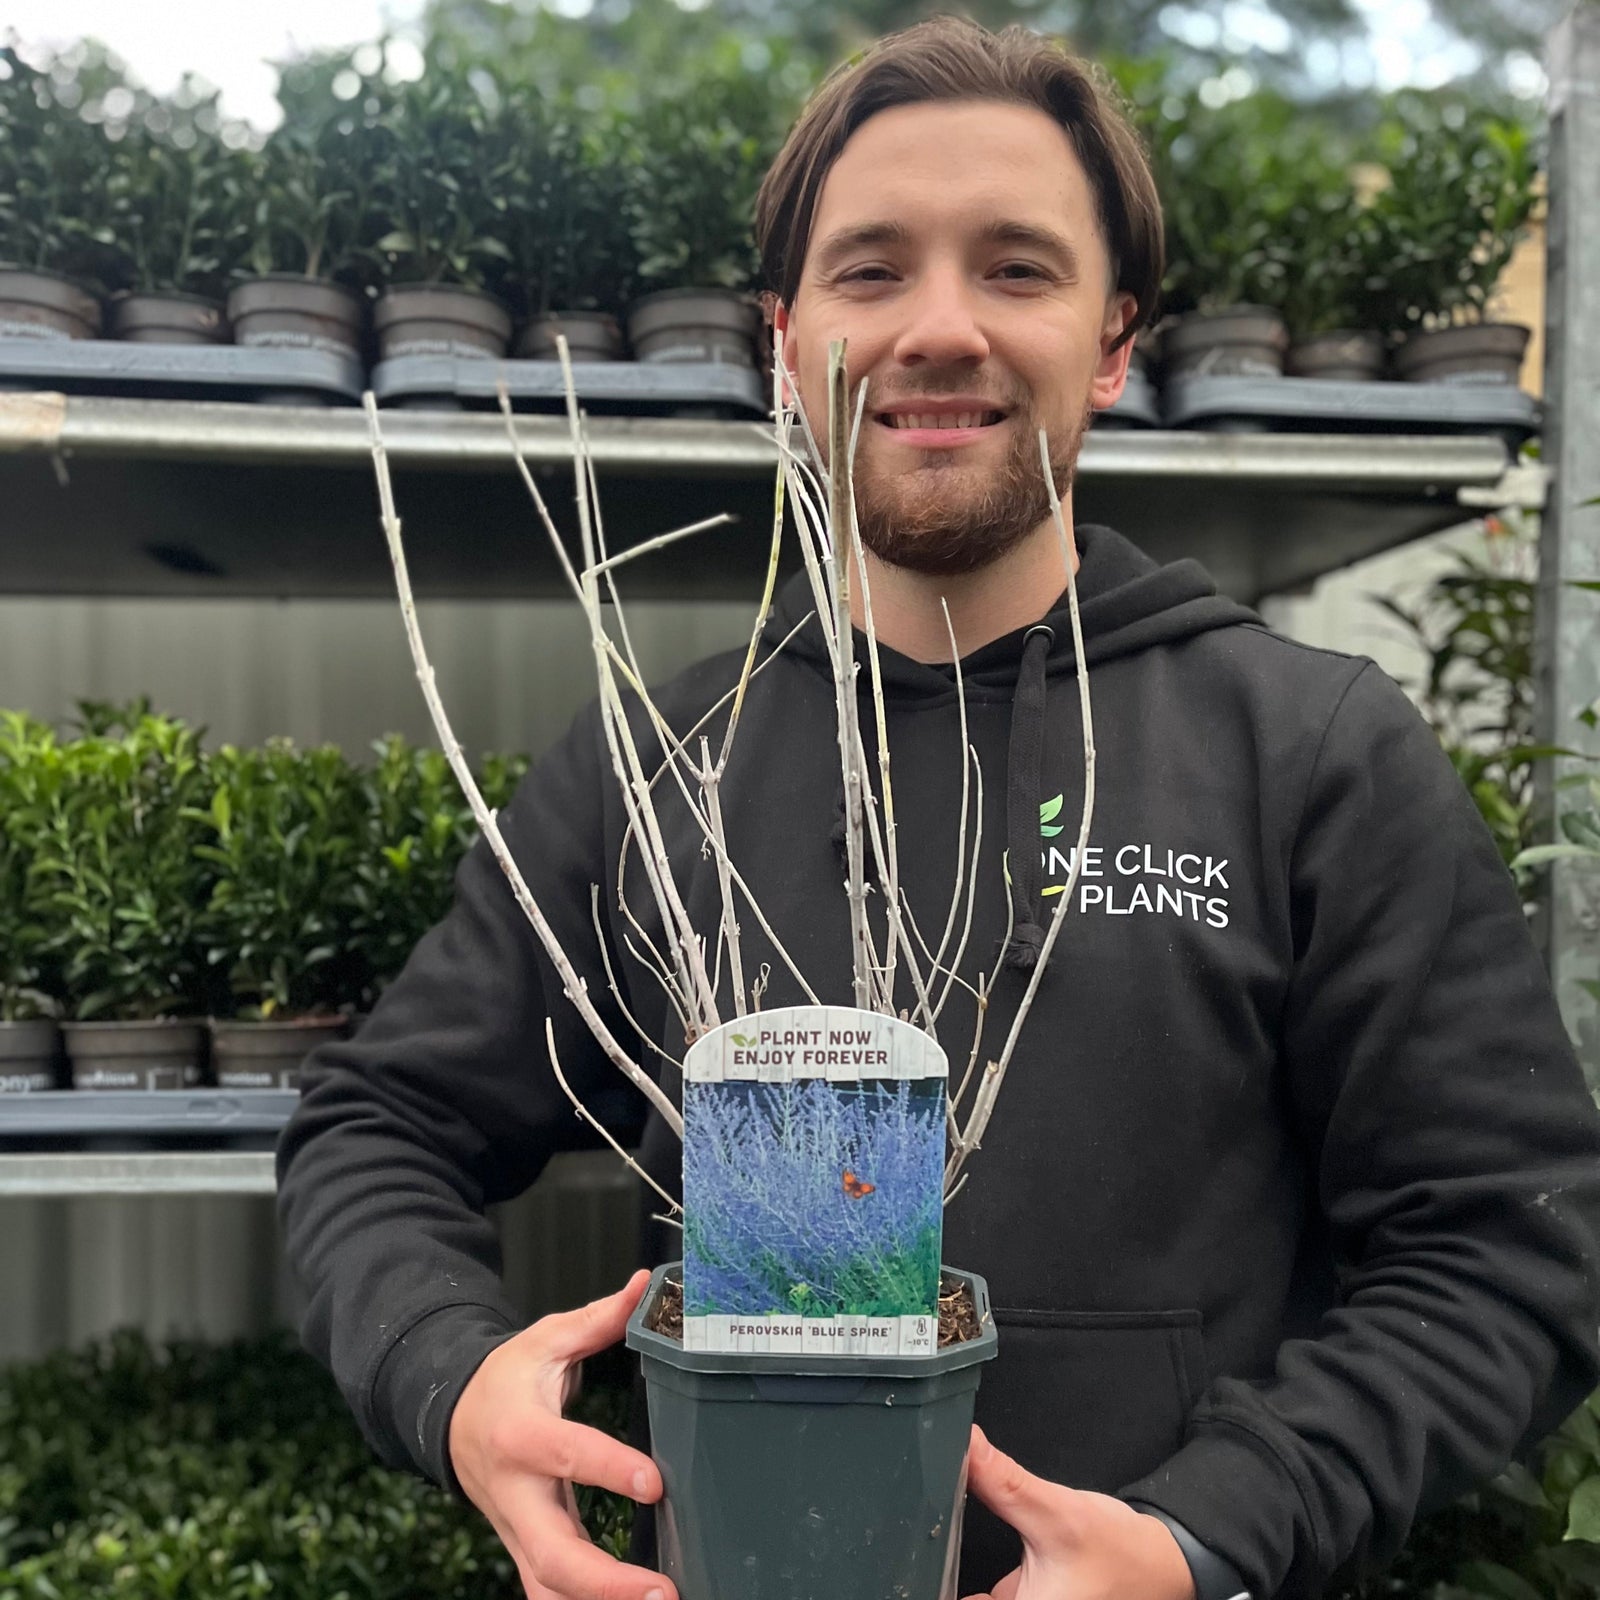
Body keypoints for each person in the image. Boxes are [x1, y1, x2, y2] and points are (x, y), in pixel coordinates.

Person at [275, 17, 1600, 1600]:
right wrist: (453, 1381)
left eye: (1018, 268)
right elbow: (378, 1129)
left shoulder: (1309, 753)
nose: (942, 328)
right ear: (786, 339)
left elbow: (1511, 1247)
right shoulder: (658, 761)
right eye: (873, 269)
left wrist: (1208, 1533)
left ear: (1113, 342)